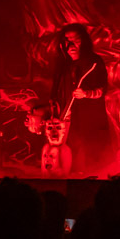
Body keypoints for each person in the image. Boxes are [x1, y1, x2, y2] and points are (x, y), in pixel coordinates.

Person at [45, 24, 111, 175]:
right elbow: (55, 90)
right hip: (66, 118)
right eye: (67, 40)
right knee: (67, 155)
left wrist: (87, 94)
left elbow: (103, 88)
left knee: (88, 156)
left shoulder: (94, 62)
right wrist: (53, 107)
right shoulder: (63, 64)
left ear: (84, 41)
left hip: (88, 119)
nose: (71, 45)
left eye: (76, 40)